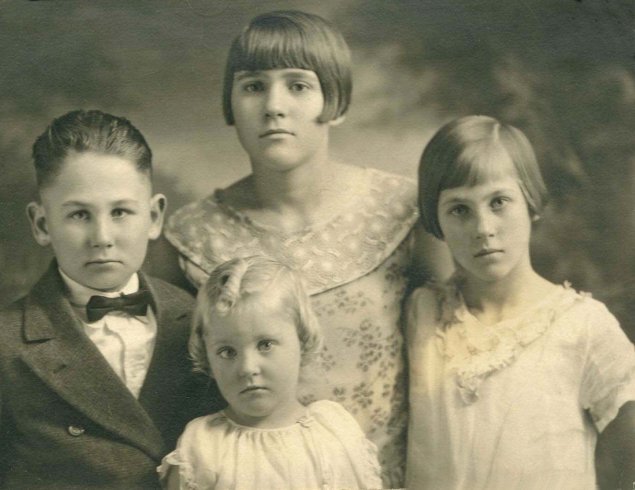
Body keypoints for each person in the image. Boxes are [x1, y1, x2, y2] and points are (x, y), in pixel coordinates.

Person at [161, 11, 450, 486]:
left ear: (333, 101)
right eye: (253, 86)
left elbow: (451, 358)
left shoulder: (403, 211)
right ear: (230, 105)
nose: (274, 106)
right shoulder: (189, 234)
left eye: (298, 85)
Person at [406, 114, 635, 489]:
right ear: (437, 221)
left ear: (530, 202)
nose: (483, 228)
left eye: (499, 202)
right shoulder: (423, 315)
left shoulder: (582, 324)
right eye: (459, 210)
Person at [0, 110, 222, 489]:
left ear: (153, 217)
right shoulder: (9, 345)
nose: (101, 236)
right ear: (41, 224)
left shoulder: (201, 319)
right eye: (79, 214)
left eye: (120, 211)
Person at [158, 256, 382, 489]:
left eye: (265, 345)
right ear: (208, 358)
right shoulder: (204, 447)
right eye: (227, 352)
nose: (247, 368)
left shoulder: (335, 430)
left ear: (302, 341)